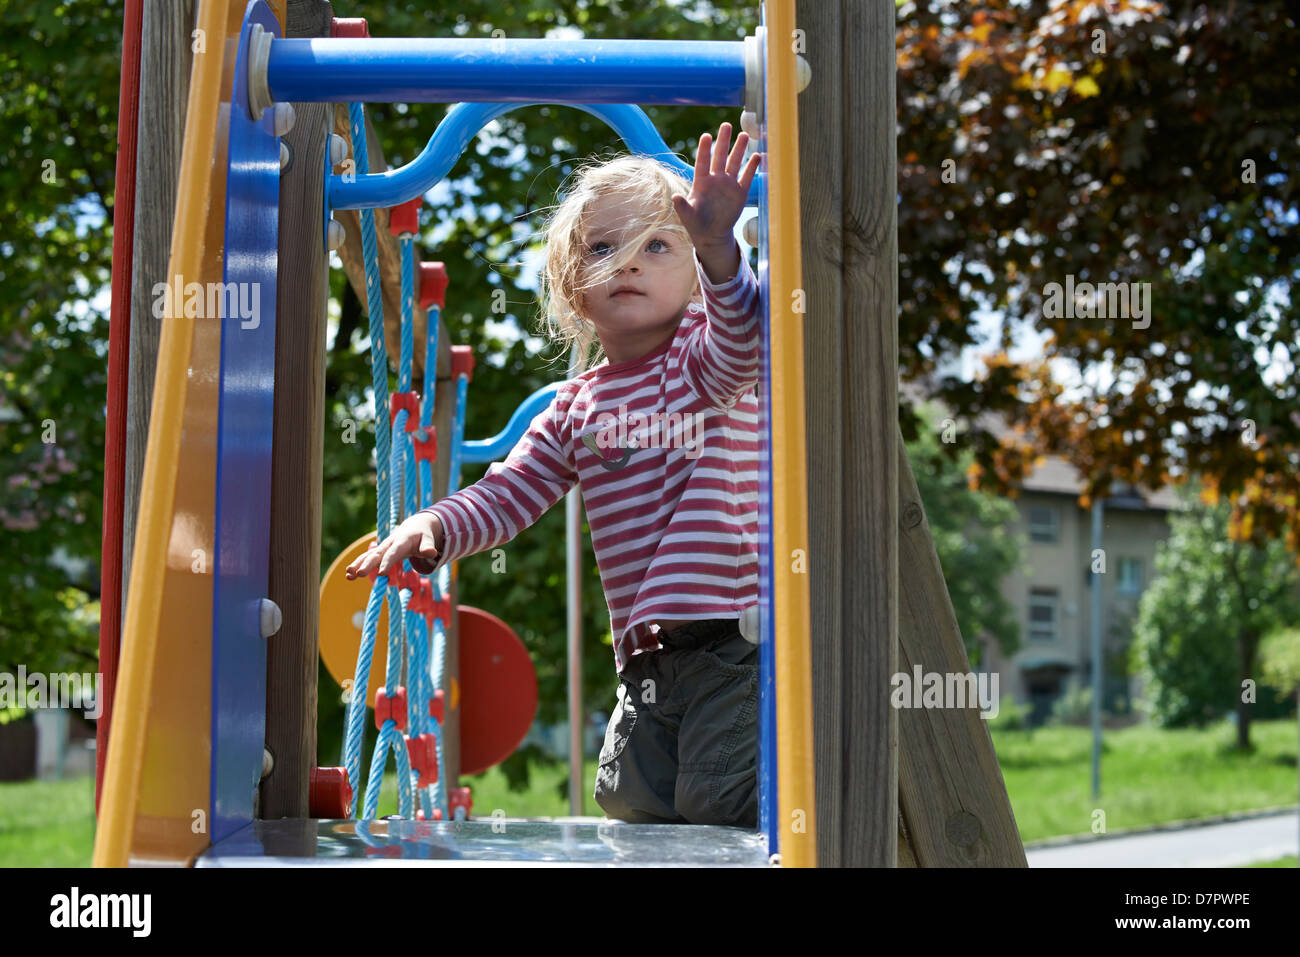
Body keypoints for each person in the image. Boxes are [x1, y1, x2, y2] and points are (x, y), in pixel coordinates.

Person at [346, 122, 764, 828]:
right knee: (630, 798)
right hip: (651, 652)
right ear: (573, 284)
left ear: (694, 273)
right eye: (602, 248)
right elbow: (511, 489)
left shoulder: (703, 360)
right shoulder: (576, 405)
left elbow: (744, 340)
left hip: (737, 636)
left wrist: (722, 248)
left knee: (715, 800)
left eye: (657, 245)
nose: (626, 262)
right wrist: (434, 524)